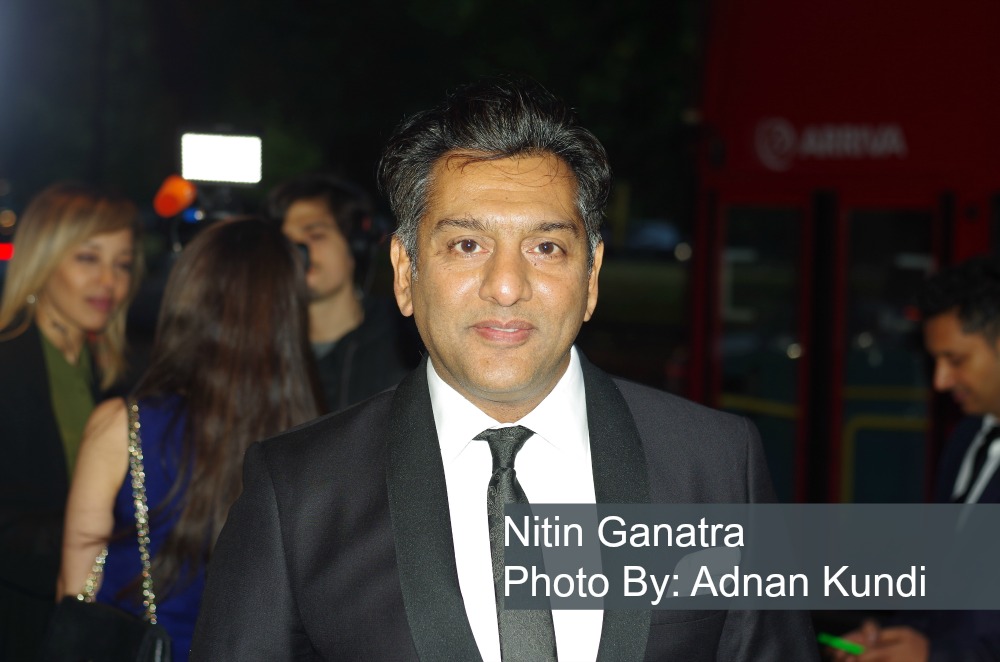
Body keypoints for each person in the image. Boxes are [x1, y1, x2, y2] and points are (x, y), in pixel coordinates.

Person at [191, 78, 818, 661]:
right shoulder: (298, 492)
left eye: (546, 247)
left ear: (591, 277)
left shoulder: (712, 466)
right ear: (406, 273)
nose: (507, 285)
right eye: (467, 245)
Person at [57, 218, 321, 662]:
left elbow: (75, 589)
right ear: (288, 315)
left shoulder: (122, 427)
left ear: (186, 301)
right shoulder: (321, 445)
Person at [832, 255, 1000, 662]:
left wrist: (934, 655)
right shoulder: (968, 437)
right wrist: (890, 639)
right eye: (934, 361)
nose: (940, 381)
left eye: (956, 360)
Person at [0, 182, 142, 659]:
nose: (109, 281)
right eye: (88, 258)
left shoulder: (121, 373)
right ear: (43, 259)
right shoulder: (8, 364)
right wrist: (96, 545)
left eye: (122, 264)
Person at [266, 173, 418, 412]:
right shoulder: (263, 344)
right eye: (288, 242)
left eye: (315, 235)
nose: (299, 251)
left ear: (355, 246)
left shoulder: (406, 338)